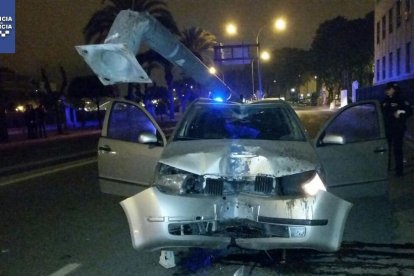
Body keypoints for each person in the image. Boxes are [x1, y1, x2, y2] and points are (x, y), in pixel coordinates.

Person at [382, 82, 413, 176]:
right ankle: (386, 169)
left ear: (394, 89)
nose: (386, 91)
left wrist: (400, 113)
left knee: (397, 150)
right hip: (388, 129)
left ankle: (399, 171)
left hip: (398, 129)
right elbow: (383, 112)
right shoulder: (385, 100)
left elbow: (409, 111)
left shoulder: (401, 100)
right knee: (386, 150)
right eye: (386, 89)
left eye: (389, 89)